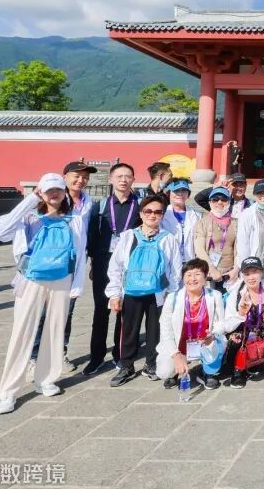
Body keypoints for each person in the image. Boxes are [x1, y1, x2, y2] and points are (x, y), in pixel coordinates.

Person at [0, 173, 87, 414]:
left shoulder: (74, 220)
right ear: (40, 193)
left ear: (64, 192)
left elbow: (80, 253)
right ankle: (8, 391)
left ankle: (46, 378)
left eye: (58, 189)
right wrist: (29, 200)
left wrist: (77, 285)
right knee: (22, 332)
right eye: (48, 190)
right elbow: (0, 233)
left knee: (55, 330)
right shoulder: (28, 217)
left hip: (62, 279)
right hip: (30, 279)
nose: (54, 194)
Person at [106, 194, 183, 387]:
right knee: (128, 331)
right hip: (131, 291)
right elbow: (115, 266)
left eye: (157, 212)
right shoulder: (128, 236)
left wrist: (171, 294)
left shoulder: (169, 239)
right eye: (148, 211)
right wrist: (114, 293)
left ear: (162, 215)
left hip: (158, 293)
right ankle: (126, 365)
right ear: (141, 213)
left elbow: (175, 270)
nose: (152, 215)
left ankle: (151, 364)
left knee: (155, 331)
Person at [29, 160, 95, 375]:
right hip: (48, 265)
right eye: (76, 176)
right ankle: (34, 357)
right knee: (42, 313)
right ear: (64, 176)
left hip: (73, 266)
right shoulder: (53, 197)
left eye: (85, 177)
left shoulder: (88, 202)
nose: (81, 180)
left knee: (66, 312)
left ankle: (60, 352)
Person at [84, 162, 140, 376]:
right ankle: (96, 357)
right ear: (111, 179)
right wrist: (92, 263)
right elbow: (92, 236)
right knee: (101, 310)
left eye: (128, 176)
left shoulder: (140, 206)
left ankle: (120, 354)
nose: (124, 180)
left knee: (125, 312)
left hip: (130, 265)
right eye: (119, 176)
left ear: (133, 180)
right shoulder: (100, 206)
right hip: (103, 264)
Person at [156, 258, 226, 389]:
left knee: (217, 343)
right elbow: (165, 329)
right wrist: (175, 355)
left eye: (197, 274)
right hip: (180, 345)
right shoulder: (172, 298)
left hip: (204, 343)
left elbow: (221, 324)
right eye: (188, 275)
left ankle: (209, 372)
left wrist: (212, 335)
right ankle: (175, 370)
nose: (192, 279)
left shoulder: (215, 296)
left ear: (205, 277)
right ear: (183, 278)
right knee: (164, 371)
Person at [222, 256, 264, 387]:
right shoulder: (235, 294)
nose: (251, 277)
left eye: (254, 272)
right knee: (235, 339)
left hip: (262, 337)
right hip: (241, 336)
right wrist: (240, 314)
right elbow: (227, 326)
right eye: (247, 274)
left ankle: (254, 363)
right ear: (242, 275)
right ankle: (238, 370)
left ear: (261, 272)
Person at [193, 186, 239, 293]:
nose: (219, 202)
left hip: (230, 273)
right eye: (215, 199)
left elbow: (240, 248)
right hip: (208, 273)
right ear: (210, 203)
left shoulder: (236, 223)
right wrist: (211, 269)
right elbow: (199, 249)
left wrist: (236, 269)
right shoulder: (202, 223)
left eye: (224, 199)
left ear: (229, 202)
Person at [234, 179, 264, 278]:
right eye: (259, 193)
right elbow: (243, 242)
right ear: (254, 195)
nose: (263, 195)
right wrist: (245, 266)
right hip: (254, 262)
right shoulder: (247, 214)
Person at [161, 179, 201, 262]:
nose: (180, 194)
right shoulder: (162, 214)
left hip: (190, 261)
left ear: (188, 194)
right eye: (176, 191)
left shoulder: (197, 215)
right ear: (169, 193)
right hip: (168, 260)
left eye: (184, 190)